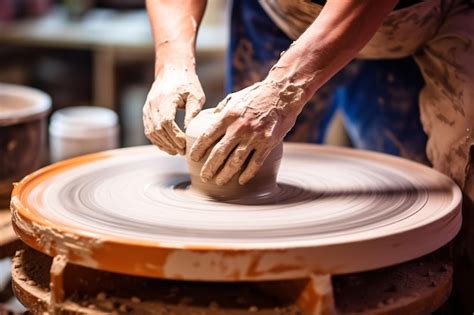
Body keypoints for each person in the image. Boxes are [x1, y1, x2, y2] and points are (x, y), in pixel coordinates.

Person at [144, 0, 473, 311]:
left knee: (439, 199)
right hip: (282, 14)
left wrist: (285, 88)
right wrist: (172, 62)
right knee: (245, 152)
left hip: (427, 14)